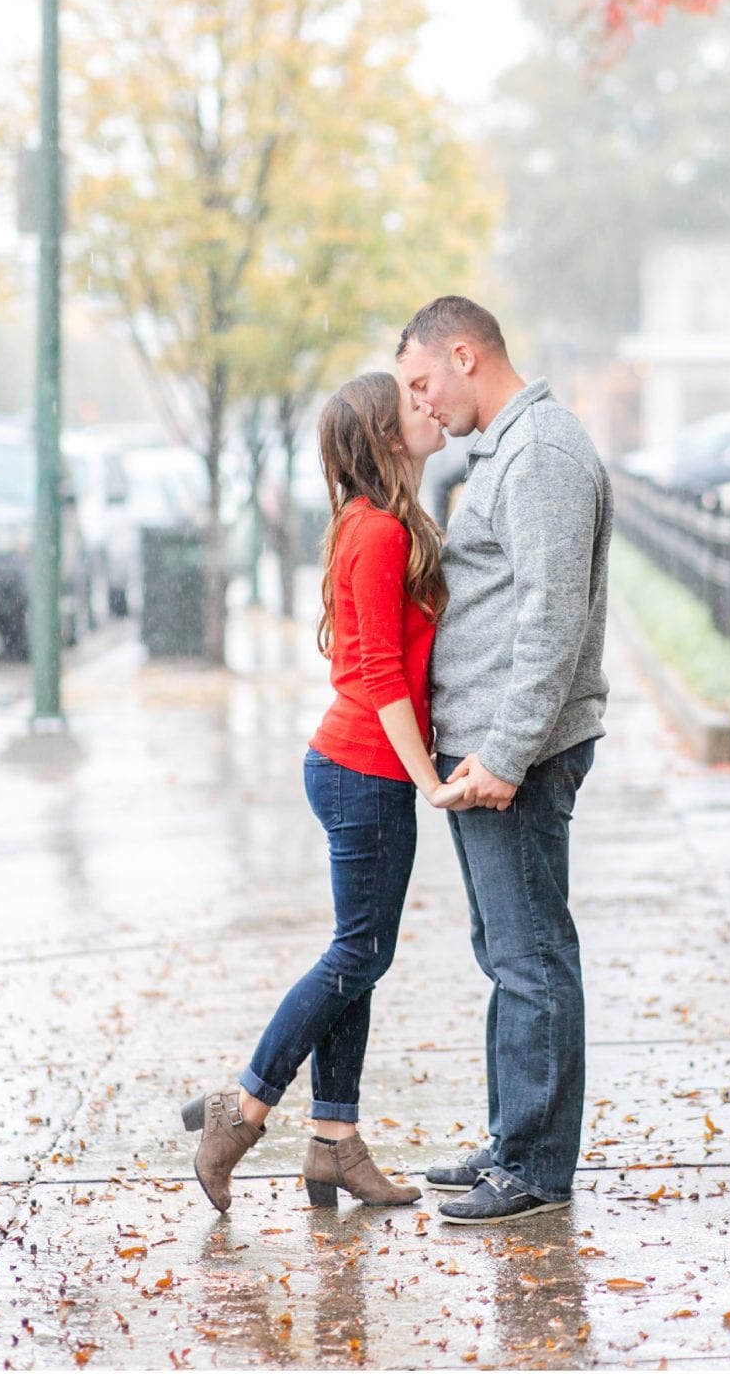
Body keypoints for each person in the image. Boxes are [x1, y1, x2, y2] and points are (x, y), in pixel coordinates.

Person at [181, 372, 472, 1214]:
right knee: (357, 955)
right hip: (367, 769)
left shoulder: (372, 522)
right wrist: (427, 778)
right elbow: (380, 671)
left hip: (356, 766)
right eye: (409, 404)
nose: (427, 406)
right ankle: (241, 1111)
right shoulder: (378, 531)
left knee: (360, 958)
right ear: (383, 437)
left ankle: (334, 1144)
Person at [396, 296, 613, 1224]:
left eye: (421, 383)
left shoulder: (544, 454)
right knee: (506, 952)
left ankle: (535, 1169)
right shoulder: (512, 451)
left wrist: (508, 755)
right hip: (486, 751)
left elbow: (550, 618)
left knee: (530, 958)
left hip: (510, 754)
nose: (421, 404)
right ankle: (511, 1140)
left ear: (463, 354)